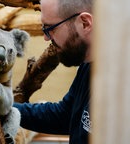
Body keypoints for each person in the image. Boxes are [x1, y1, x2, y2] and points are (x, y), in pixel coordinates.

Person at [13, 0, 93, 144]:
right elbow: (65, 115)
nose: (46, 38)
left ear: (85, 23)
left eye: (51, 28)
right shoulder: (88, 65)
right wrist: (7, 109)